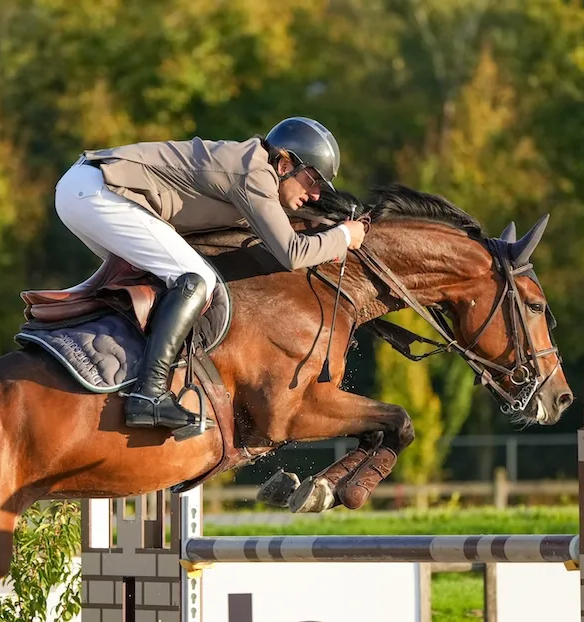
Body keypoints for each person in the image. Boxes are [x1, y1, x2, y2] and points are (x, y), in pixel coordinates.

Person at [53, 116, 366, 434]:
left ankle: (130, 379)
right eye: (312, 180)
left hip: (86, 190)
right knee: (195, 277)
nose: (315, 194)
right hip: (97, 193)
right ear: (285, 165)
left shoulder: (256, 169)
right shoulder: (255, 174)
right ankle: (148, 396)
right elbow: (292, 254)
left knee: (166, 283)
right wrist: (344, 236)